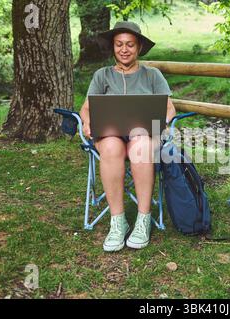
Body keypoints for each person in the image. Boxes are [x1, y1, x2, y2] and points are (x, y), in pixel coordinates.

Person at [79, 21, 176, 252]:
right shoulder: (102, 75)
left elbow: (169, 108)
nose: (124, 49)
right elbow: (86, 108)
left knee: (140, 145)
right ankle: (118, 222)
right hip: (110, 133)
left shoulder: (152, 75)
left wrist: (162, 124)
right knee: (111, 147)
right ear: (113, 47)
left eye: (130, 45)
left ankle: (143, 220)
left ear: (139, 47)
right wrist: (87, 122)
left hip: (143, 134)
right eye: (119, 44)